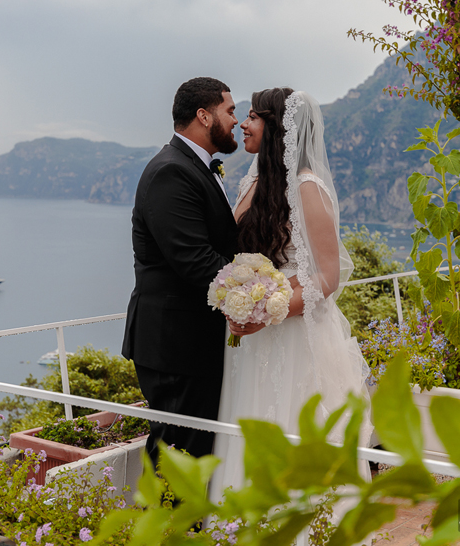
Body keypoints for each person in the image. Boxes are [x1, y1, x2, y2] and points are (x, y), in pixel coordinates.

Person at [211, 88, 373, 508]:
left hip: (294, 337)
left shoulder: (307, 187)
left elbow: (326, 276)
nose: (243, 125)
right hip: (250, 342)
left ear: (278, 127)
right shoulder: (252, 179)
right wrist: (237, 295)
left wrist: (267, 311)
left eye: (252, 117)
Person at [122, 77, 239, 464]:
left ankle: (187, 525)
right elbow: (196, 261)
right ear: (204, 116)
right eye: (230, 110)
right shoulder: (171, 172)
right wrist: (264, 293)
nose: (236, 120)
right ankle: (167, 526)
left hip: (191, 341)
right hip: (174, 344)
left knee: (195, 450)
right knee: (178, 454)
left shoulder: (195, 167)